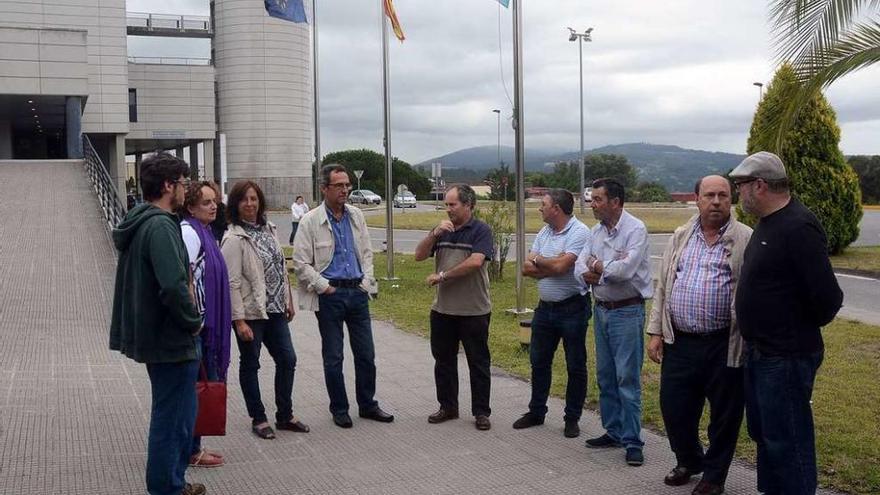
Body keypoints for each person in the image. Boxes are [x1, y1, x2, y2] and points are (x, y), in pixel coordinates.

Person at [731, 151, 843, 495]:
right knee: (766, 434)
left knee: (788, 439)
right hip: (761, 353)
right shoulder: (768, 223)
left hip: (786, 356)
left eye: (741, 186)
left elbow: (828, 298)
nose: (738, 194)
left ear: (760, 185)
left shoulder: (799, 226)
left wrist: (790, 329)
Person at [646, 175, 752, 495]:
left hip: (724, 343)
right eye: (710, 195)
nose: (717, 201)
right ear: (697, 199)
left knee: (725, 415)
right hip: (680, 341)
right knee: (674, 408)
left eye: (723, 195)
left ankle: (714, 476)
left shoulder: (745, 238)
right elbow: (663, 286)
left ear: (731, 199)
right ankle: (690, 460)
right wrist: (654, 331)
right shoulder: (681, 236)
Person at [109, 152, 206, 495]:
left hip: (162, 340)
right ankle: (167, 488)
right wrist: (194, 323)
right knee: (172, 420)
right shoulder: (161, 225)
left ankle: (173, 483)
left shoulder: (141, 221)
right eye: (181, 183)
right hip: (173, 341)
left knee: (176, 415)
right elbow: (172, 286)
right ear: (168, 185)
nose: (184, 190)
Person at [291, 164, 393, 428]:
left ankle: (368, 405)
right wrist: (324, 287)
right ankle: (339, 408)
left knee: (366, 354)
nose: (345, 189)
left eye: (347, 184)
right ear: (324, 188)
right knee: (334, 356)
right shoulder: (310, 220)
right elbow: (300, 263)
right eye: (339, 185)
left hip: (357, 292)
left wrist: (366, 281)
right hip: (330, 295)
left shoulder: (356, 215)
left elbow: (367, 253)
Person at [574, 177, 653, 467]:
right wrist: (593, 270)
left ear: (615, 202)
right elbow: (579, 265)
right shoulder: (595, 232)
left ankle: (633, 441)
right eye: (592, 199)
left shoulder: (636, 230)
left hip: (627, 311)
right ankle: (614, 430)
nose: (592, 204)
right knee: (606, 375)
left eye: (597, 199)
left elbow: (625, 270)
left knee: (626, 379)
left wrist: (598, 267)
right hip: (602, 310)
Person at [221, 180, 307, 440]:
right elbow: (231, 283)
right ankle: (258, 417)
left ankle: (285, 415)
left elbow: (280, 268)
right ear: (236, 205)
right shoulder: (234, 238)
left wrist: (288, 299)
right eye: (244, 200)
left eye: (254, 199)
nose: (250, 204)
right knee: (250, 364)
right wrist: (239, 321)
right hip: (251, 313)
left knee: (287, 359)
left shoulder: (268, 229)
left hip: (276, 310)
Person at [414, 184, 494, 431]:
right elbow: (419, 255)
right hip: (443, 310)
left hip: (474, 309)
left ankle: (481, 412)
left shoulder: (481, 230)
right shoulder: (442, 231)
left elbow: (475, 262)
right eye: (446, 204)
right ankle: (447, 407)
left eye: (452, 204)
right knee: (444, 361)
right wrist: (434, 234)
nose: (448, 209)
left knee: (478, 363)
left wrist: (443, 276)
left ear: (468, 205)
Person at [513, 189, 591, 438]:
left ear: (556, 208)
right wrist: (548, 263)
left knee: (575, 364)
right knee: (539, 362)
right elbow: (526, 267)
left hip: (573, 309)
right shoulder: (545, 231)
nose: (539, 208)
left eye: (543, 204)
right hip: (545, 310)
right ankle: (537, 412)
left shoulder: (580, 232)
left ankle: (572, 418)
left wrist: (541, 260)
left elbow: (562, 266)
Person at [179, 180, 232, 469]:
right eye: (206, 202)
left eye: (215, 202)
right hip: (200, 328)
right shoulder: (189, 232)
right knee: (197, 389)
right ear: (190, 207)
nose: (213, 206)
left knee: (200, 386)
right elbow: (185, 277)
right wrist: (195, 321)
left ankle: (193, 447)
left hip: (205, 327)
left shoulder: (206, 232)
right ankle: (190, 451)